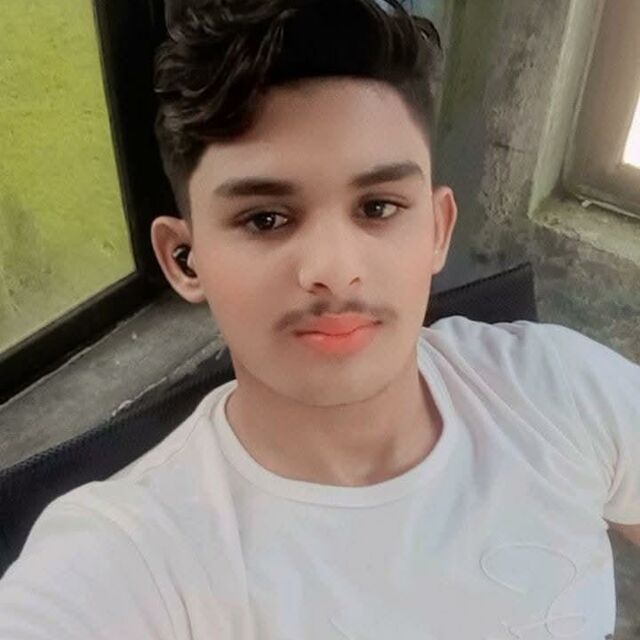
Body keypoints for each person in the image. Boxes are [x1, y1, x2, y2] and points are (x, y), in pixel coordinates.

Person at [0, 1, 638, 638]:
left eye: (378, 208)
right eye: (266, 219)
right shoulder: (127, 560)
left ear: (438, 230)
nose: (334, 269)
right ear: (185, 260)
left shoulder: (558, 390)